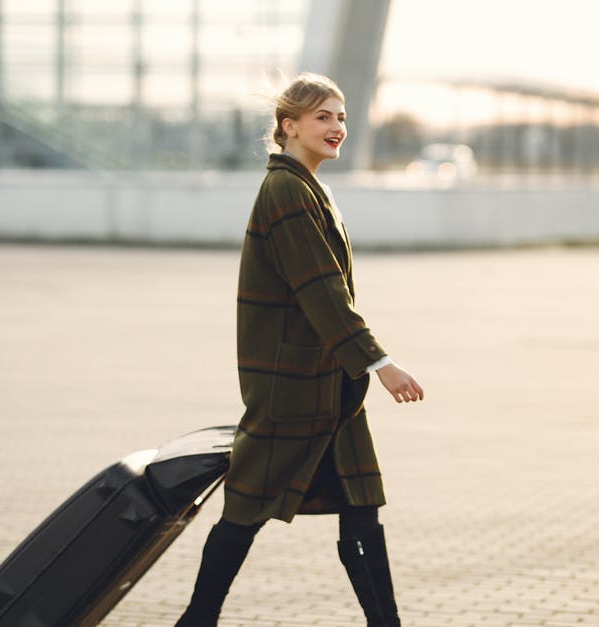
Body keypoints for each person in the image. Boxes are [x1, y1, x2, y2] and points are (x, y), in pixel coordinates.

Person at [175, 73, 424, 627]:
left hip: (327, 384)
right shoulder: (286, 189)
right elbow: (320, 289)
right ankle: (197, 619)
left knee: (362, 509)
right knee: (245, 509)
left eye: (340, 116)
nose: (337, 126)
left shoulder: (309, 186)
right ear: (289, 127)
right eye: (322, 117)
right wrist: (379, 362)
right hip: (294, 388)